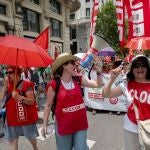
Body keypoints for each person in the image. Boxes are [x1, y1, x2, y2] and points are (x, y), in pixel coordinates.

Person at [42, 53, 103, 150]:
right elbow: (48, 105)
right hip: (64, 126)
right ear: (64, 66)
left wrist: (99, 72)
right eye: (72, 63)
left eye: (75, 63)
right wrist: (44, 124)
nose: (76, 65)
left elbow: (98, 84)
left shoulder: (78, 79)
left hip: (80, 124)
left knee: (81, 148)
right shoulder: (54, 84)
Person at [102, 55, 150, 150]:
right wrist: (112, 79)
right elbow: (106, 94)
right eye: (136, 65)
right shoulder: (125, 84)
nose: (140, 68)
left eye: (143, 65)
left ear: (147, 68)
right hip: (131, 128)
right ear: (132, 69)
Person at [0, 66, 39, 150]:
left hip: (25, 118)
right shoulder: (8, 85)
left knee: (30, 137)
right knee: (13, 142)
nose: (7, 74)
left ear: (17, 73)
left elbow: (31, 101)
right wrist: (4, 86)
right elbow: (1, 98)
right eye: (6, 73)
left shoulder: (26, 84)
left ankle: (35, 147)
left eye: (10, 72)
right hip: (11, 118)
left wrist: (19, 97)